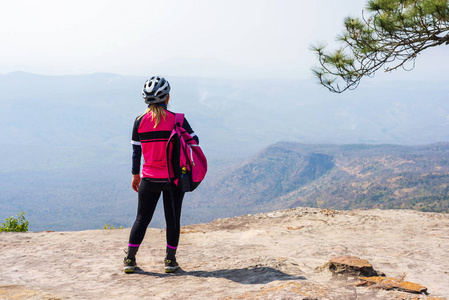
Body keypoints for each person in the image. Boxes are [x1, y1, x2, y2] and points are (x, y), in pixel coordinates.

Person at [124, 76, 199, 274]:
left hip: (148, 178)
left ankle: (130, 260)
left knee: (141, 218)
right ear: (167, 98)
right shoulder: (178, 120)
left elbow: (136, 152)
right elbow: (194, 141)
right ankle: (170, 261)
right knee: (172, 220)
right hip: (174, 179)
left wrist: (135, 175)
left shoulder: (139, 121)